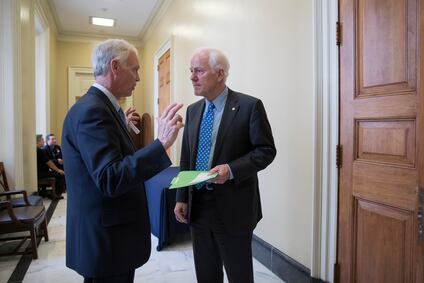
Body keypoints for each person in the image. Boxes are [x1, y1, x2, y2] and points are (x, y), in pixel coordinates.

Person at [62, 39, 183, 283]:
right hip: (107, 240)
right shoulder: (93, 111)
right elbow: (110, 178)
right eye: (135, 69)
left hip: (108, 237)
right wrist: (161, 144)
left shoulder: (100, 107)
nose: (138, 78)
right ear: (114, 67)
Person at [174, 48, 276, 283]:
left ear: (220, 74)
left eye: (198, 71)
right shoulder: (193, 110)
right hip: (198, 205)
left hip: (234, 207)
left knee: (239, 274)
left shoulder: (249, 106)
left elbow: (266, 151)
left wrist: (231, 170)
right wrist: (182, 196)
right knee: (206, 273)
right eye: (191, 71)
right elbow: (187, 157)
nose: (192, 77)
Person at [36, 134, 65, 199]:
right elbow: (49, 162)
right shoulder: (40, 151)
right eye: (42, 140)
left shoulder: (37, 150)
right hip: (41, 173)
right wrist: (58, 170)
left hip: (39, 172)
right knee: (60, 174)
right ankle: (56, 194)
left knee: (59, 171)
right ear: (38, 141)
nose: (43, 141)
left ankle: (49, 192)